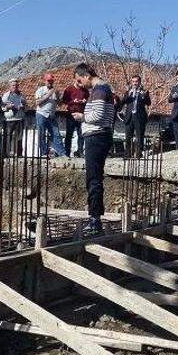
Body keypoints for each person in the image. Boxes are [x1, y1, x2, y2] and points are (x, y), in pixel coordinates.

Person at [70, 63, 116, 234]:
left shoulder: (99, 89)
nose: (80, 85)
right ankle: (95, 217)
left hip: (96, 138)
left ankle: (94, 220)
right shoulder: (102, 89)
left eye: (80, 80)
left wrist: (82, 117)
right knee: (94, 178)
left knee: (93, 178)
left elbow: (97, 115)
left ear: (87, 75)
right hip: (100, 136)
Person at [34, 73, 68, 157]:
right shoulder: (40, 90)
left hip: (51, 115)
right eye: (48, 81)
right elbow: (38, 102)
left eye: (52, 81)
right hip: (41, 114)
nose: (50, 82)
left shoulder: (55, 91)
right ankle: (43, 153)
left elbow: (60, 104)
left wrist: (57, 96)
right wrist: (48, 94)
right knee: (41, 134)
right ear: (45, 81)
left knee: (56, 134)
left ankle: (62, 153)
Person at [119, 75, 151, 157]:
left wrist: (144, 96)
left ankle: (138, 153)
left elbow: (148, 103)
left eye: (136, 81)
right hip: (129, 117)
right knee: (128, 137)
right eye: (133, 81)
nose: (134, 83)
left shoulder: (144, 92)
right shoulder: (128, 92)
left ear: (139, 82)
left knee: (139, 136)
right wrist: (128, 95)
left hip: (139, 117)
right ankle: (127, 154)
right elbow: (122, 102)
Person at [62, 80, 89, 158]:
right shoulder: (69, 89)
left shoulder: (85, 90)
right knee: (69, 134)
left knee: (81, 134)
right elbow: (64, 100)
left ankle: (80, 151)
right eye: (79, 82)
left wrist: (85, 101)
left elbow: (88, 100)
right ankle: (67, 152)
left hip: (81, 115)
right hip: (71, 114)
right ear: (74, 80)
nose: (81, 83)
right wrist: (73, 101)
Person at [1, 78, 27, 157]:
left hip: (19, 118)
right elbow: (2, 107)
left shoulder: (22, 96)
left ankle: (18, 154)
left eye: (16, 85)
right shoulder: (6, 95)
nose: (14, 86)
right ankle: (5, 153)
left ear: (18, 86)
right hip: (9, 119)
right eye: (13, 85)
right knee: (8, 136)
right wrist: (8, 106)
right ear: (10, 86)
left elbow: (26, 106)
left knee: (19, 137)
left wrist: (22, 107)